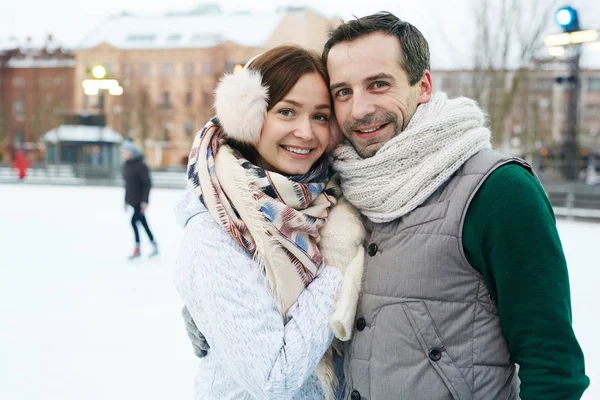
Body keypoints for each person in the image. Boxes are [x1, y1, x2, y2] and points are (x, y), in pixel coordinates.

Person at [185, 12, 590, 400]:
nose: (360, 108)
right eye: (343, 92)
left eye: (378, 84)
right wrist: (215, 311)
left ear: (424, 85)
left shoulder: (498, 190)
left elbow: (551, 362)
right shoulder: (338, 191)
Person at [174, 45, 366, 400]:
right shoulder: (214, 233)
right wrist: (339, 269)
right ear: (249, 116)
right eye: (287, 111)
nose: (306, 132)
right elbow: (272, 376)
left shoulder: (332, 204)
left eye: (321, 117)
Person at [121, 140, 158, 259]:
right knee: (143, 223)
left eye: (125, 152)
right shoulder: (126, 165)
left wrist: (144, 201)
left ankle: (137, 249)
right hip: (132, 200)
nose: (122, 154)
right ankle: (154, 245)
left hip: (139, 201)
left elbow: (147, 184)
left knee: (133, 222)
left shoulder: (141, 165)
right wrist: (126, 200)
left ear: (131, 153)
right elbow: (127, 184)